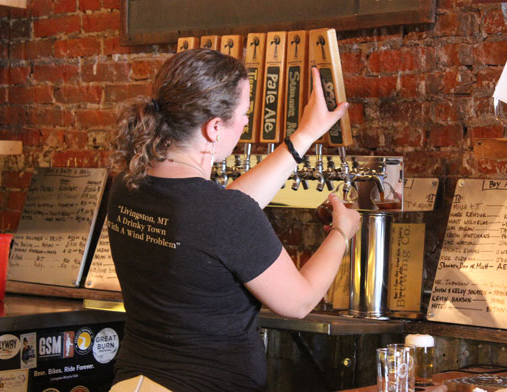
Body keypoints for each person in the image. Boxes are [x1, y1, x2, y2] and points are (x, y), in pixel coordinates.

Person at [107, 48, 361, 392]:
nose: (245, 121)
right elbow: (298, 301)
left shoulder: (127, 185)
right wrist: (342, 233)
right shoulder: (222, 213)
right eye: (244, 113)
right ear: (214, 128)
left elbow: (222, 211)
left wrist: (303, 137)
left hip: (132, 384)